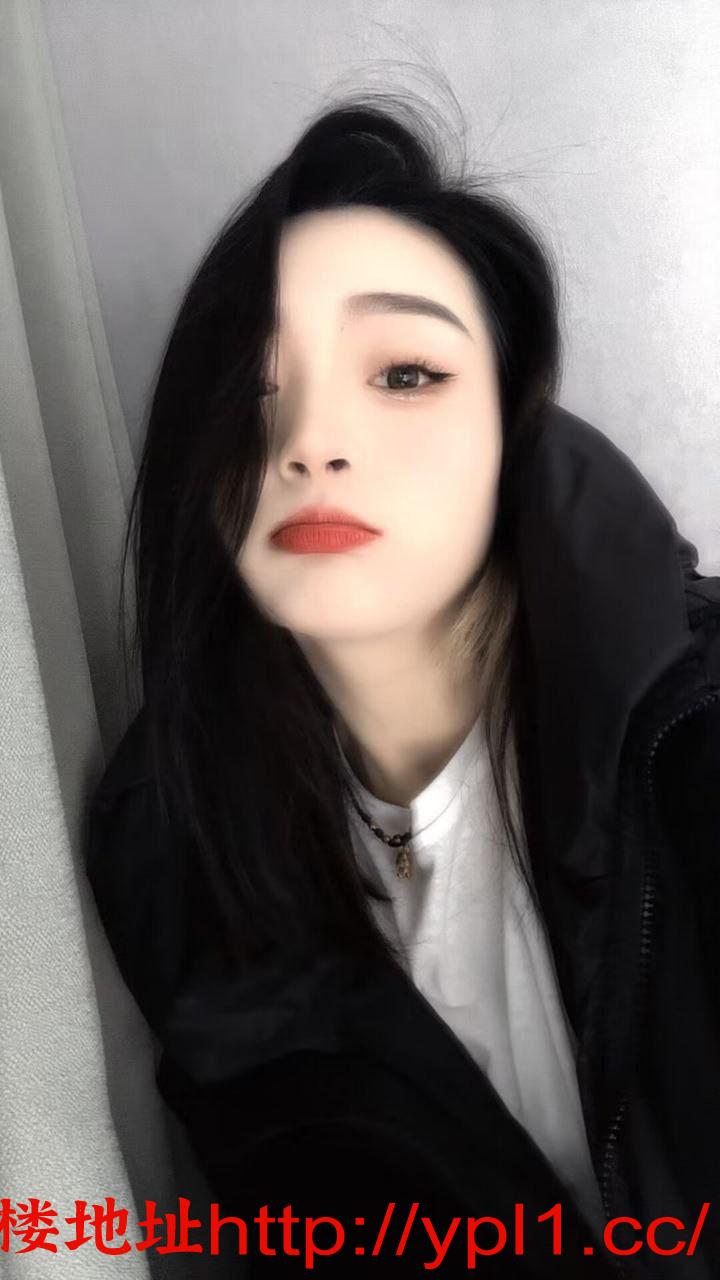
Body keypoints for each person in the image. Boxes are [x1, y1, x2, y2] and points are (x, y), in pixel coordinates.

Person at [84, 93, 720, 1276]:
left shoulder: (694, 720)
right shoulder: (177, 861)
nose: (315, 442)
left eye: (406, 372)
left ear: (509, 426)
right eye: (262, 388)